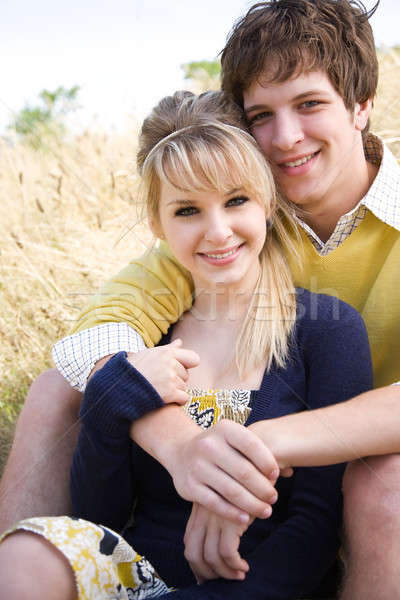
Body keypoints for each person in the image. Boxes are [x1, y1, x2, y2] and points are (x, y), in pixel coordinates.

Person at [0, 0, 399, 597]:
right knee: (58, 388)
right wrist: (188, 448)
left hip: (354, 463)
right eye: (261, 114)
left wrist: (242, 451)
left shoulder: (302, 297)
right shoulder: (229, 227)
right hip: (201, 497)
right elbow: (98, 336)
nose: (286, 137)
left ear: (362, 105)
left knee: (384, 482)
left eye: (310, 104)